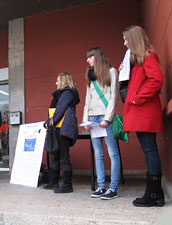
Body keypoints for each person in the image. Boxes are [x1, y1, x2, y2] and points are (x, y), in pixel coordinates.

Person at [121, 25, 165, 207]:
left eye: (126, 39)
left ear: (134, 39)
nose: (124, 43)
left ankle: (154, 192)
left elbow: (157, 79)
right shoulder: (139, 58)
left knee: (149, 149)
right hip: (142, 111)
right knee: (148, 149)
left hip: (144, 111)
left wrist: (137, 99)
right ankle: (155, 192)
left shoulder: (147, 54)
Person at [82, 47, 120, 200]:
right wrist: (86, 119)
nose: (87, 60)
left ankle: (113, 188)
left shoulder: (111, 72)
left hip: (105, 117)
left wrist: (107, 118)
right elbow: (87, 101)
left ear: (97, 57)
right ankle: (101, 186)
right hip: (92, 118)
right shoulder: (90, 77)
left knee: (112, 152)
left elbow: (113, 97)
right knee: (98, 154)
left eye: (90, 57)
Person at [43, 72, 79, 193]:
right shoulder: (62, 94)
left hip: (62, 128)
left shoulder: (67, 93)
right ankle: (54, 182)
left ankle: (67, 185)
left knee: (64, 157)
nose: (56, 83)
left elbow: (60, 110)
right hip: (57, 128)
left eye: (58, 81)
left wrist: (50, 121)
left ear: (64, 81)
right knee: (55, 155)